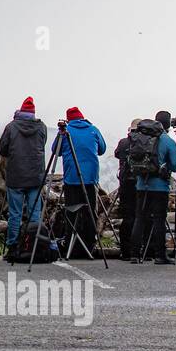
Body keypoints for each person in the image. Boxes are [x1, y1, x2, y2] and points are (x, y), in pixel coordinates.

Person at [0, 97, 47, 260]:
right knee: (35, 213)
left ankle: (13, 248)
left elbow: (3, 150)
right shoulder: (41, 127)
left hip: (16, 176)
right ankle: (34, 248)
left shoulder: (11, 127)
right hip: (35, 177)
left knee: (15, 214)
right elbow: (43, 144)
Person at [129, 111, 176, 264]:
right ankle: (160, 255)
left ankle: (134, 254)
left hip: (141, 184)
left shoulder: (142, 136)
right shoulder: (167, 141)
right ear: (169, 124)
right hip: (159, 187)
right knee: (159, 219)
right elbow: (175, 165)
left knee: (140, 218)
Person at [59, 106, 107, 254]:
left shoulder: (66, 132)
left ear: (68, 120)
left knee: (71, 211)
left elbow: (56, 150)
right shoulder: (93, 129)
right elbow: (102, 149)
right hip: (91, 178)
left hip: (71, 178)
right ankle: (89, 244)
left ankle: (71, 246)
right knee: (90, 211)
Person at [113, 119, 141, 260]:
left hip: (125, 183)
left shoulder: (124, 142)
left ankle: (126, 250)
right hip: (141, 183)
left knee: (127, 216)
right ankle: (140, 249)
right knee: (141, 216)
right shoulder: (146, 142)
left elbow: (117, 154)